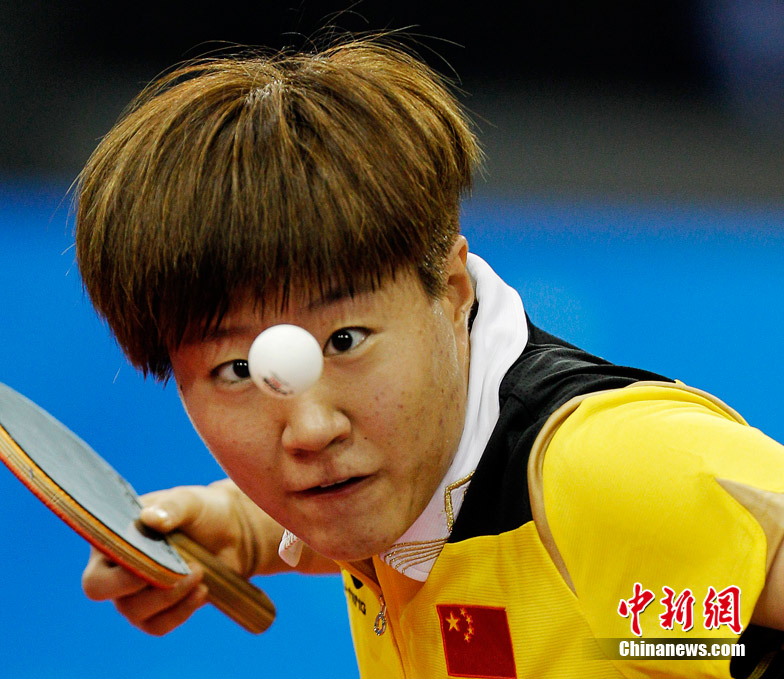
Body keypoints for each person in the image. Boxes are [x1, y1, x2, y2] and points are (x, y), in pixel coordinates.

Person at [72, 36, 784, 678]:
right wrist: (242, 528)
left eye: (346, 341)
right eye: (239, 371)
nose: (311, 430)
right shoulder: (401, 484)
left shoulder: (610, 473)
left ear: (449, 289)